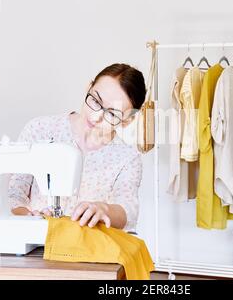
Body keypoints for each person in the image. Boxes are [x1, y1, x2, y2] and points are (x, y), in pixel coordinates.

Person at [8, 63, 146, 232]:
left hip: (86, 251)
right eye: (95, 100)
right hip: (33, 245)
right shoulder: (40, 129)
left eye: (111, 114)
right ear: (89, 87)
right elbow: (14, 192)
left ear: (127, 120)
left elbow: (128, 211)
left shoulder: (127, 158)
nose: (96, 117)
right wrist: (29, 219)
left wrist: (104, 209)